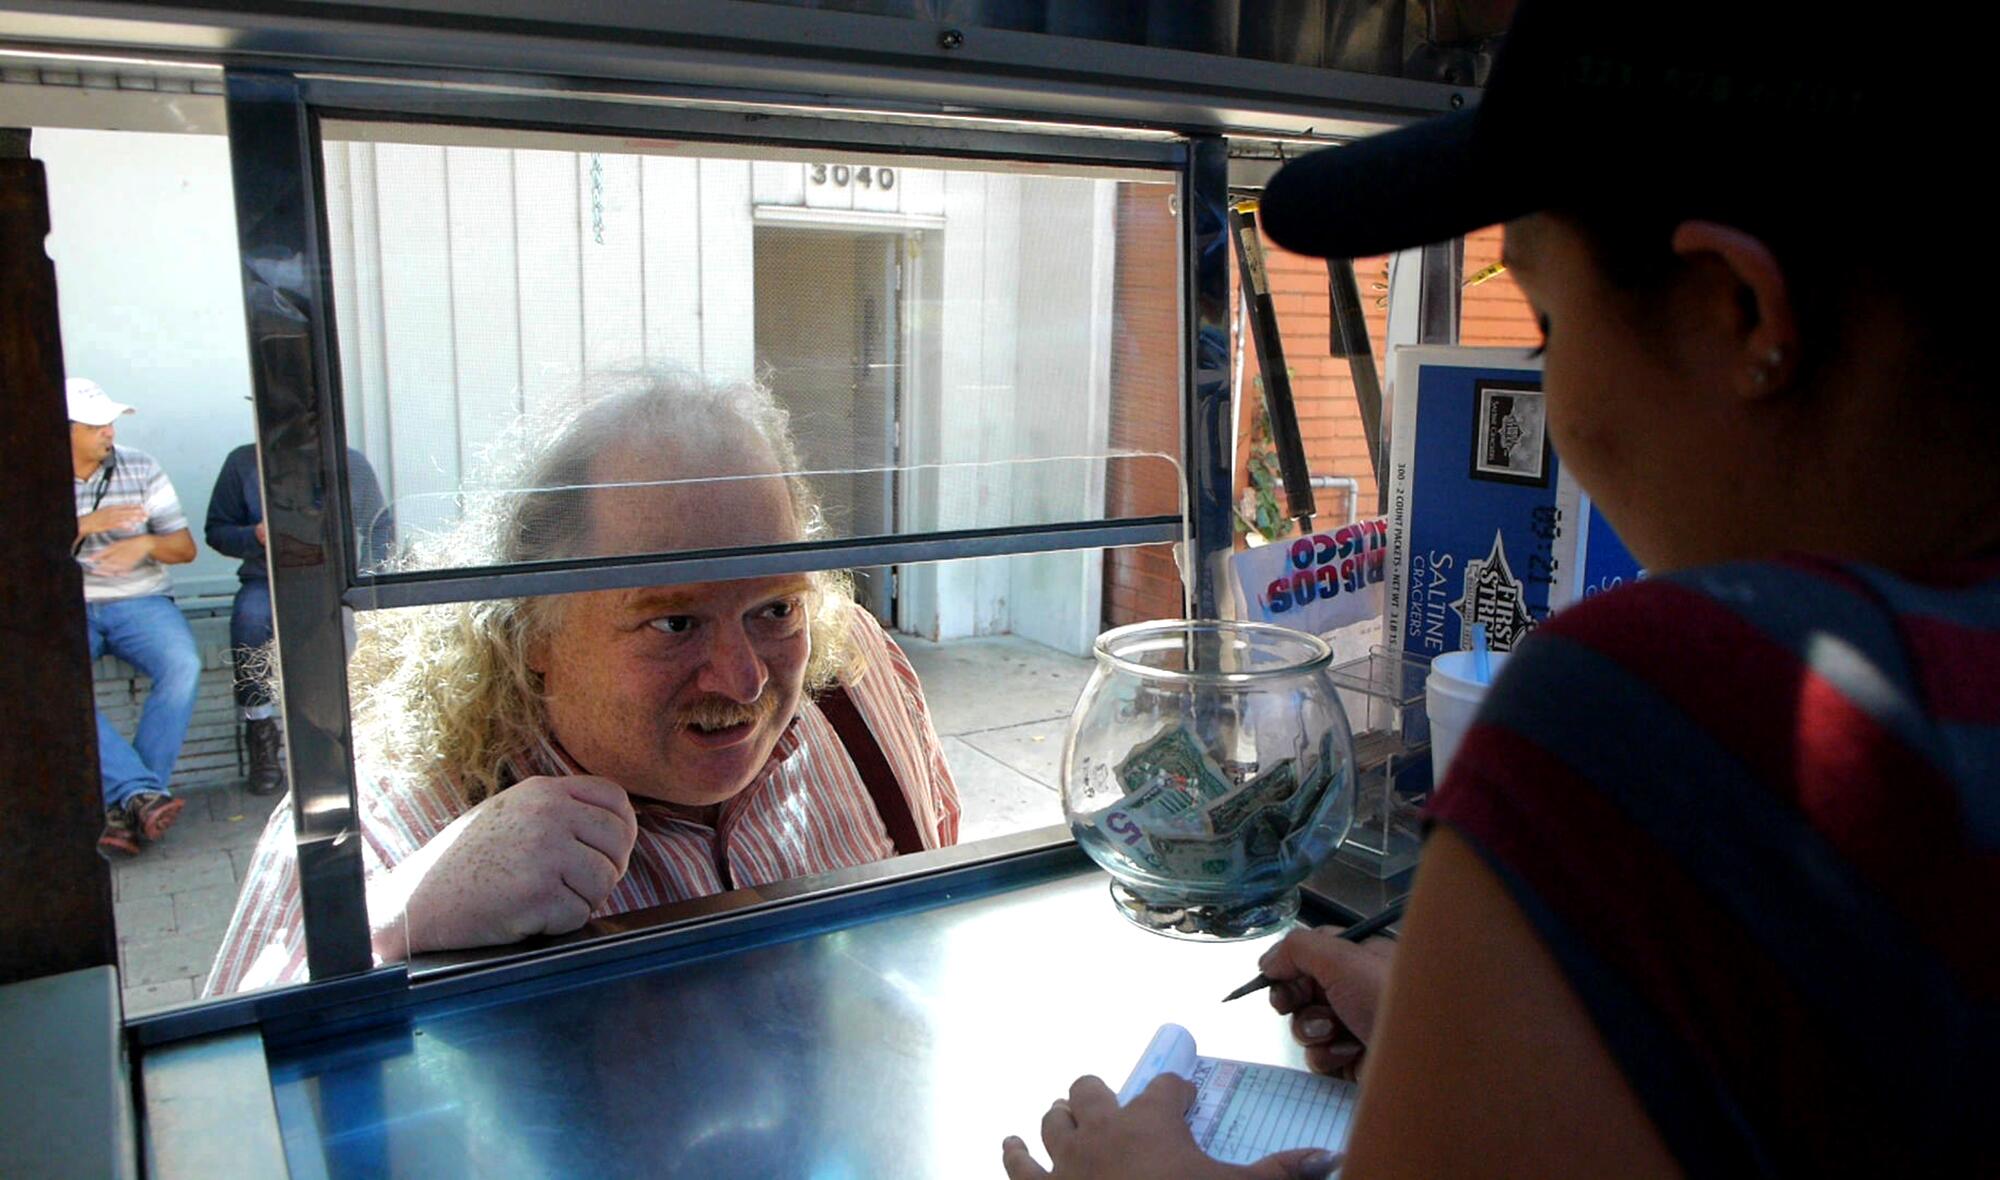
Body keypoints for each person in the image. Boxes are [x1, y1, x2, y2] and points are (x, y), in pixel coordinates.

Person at [1005, 2, 1996, 1177]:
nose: (1553, 413)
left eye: (1542, 322)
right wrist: (1492, 1071)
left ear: (1736, 310)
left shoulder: (1665, 706)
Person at [205, 372, 960, 994]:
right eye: (674, 623)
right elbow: (229, 1114)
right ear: (535, 629)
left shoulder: (857, 676)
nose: (743, 678)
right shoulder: (383, 829)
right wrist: (395, 925)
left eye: (775, 609)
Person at [205, 435, 393, 795]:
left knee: (344, 638)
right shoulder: (243, 462)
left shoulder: (349, 463)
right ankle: (260, 732)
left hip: (332, 582)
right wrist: (253, 536)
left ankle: (349, 743)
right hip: (267, 579)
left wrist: (367, 583)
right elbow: (217, 531)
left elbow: (380, 525)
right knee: (248, 621)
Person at [68, 377, 201, 860]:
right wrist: (83, 526)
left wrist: (145, 543)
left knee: (183, 665)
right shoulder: (26, 475)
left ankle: (129, 804)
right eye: (96, 425)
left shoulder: (140, 467)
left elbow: (184, 549)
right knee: (55, 680)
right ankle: (140, 796)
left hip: (140, 599)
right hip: (66, 606)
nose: (109, 432)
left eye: (110, 423)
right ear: (65, 432)